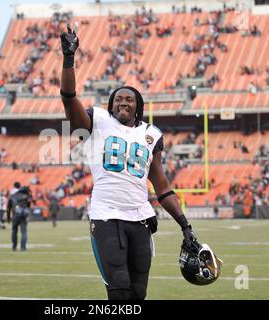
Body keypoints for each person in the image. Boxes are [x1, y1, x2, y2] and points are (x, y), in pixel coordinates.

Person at [60, 25, 200, 300]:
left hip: (140, 218)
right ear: (111, 104)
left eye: (129, 99)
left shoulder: (150, 135)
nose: (123, 102)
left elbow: (162, 188)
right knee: (119, 287)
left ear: (138, 106)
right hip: (106, 215)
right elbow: (68, 98)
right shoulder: (97, 122)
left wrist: (185, 226)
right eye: (118, 99)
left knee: (138, 292)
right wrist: (69, 58)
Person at [7, 186, 32, 251]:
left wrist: (8, 217)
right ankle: (23, 247)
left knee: (14, 231)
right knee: (24, 232)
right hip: (23, 216)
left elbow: (9, 208)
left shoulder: (12, 196)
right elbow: (28, 206)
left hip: (15, 215)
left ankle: (14, 246)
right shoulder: (27, 196)